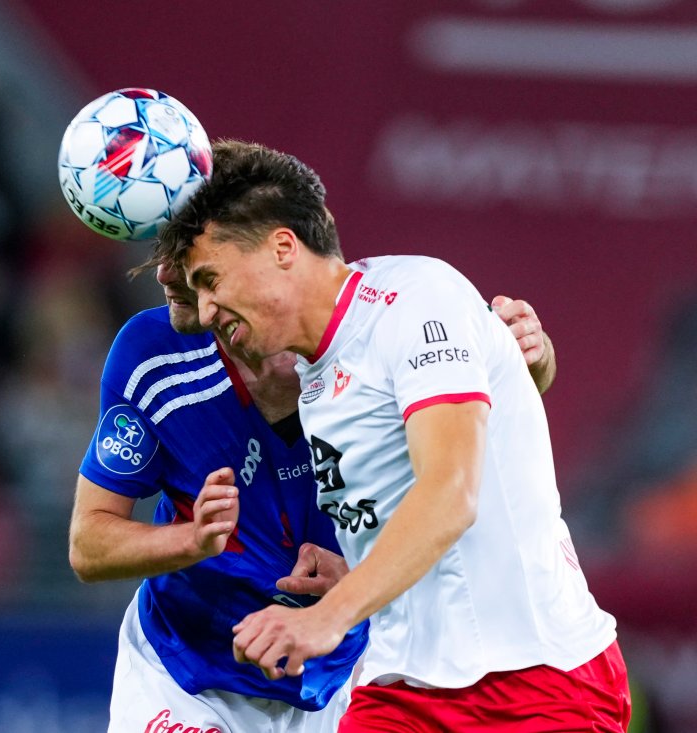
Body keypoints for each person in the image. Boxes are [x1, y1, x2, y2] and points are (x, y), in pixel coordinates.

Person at [156, 140, 629, 732]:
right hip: (401, 689)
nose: (205, 312)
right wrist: (356, 575)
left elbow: (452, 490)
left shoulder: (417, 299)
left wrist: (328, 615)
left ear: (282, 247)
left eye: (210, 279)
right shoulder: (314, 376)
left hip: (536, 684)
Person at [70, 214, 559, 730]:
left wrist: (528, 355)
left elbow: (470, 443)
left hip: (343, 671)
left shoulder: (376, 339)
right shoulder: (156, 357)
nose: (166, 274)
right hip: (188, 673)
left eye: (193, 263)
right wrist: (191, 541)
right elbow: (88, 544)